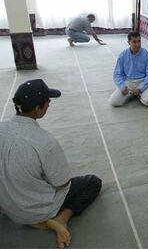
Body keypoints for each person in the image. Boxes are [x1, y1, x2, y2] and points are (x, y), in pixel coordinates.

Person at [0, 79, 102, 249]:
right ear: (37, 109)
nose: (49, 104)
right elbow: (62, 183)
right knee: (92, 182)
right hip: (35, 210)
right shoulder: (45, 142)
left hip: (6, 205)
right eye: (47, 102)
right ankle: (60, 219)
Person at [109, 31, 148, 107]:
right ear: (129, 42)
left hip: (143, 82)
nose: (137, 44)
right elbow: (117, 74)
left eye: (139, 41)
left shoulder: (147, 55)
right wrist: (122, 86)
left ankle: (138, 94)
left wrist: (140, 88)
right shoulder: (123, 55)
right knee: (114, 102)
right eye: (134, 42)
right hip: (128, 82)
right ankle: (133, 94)